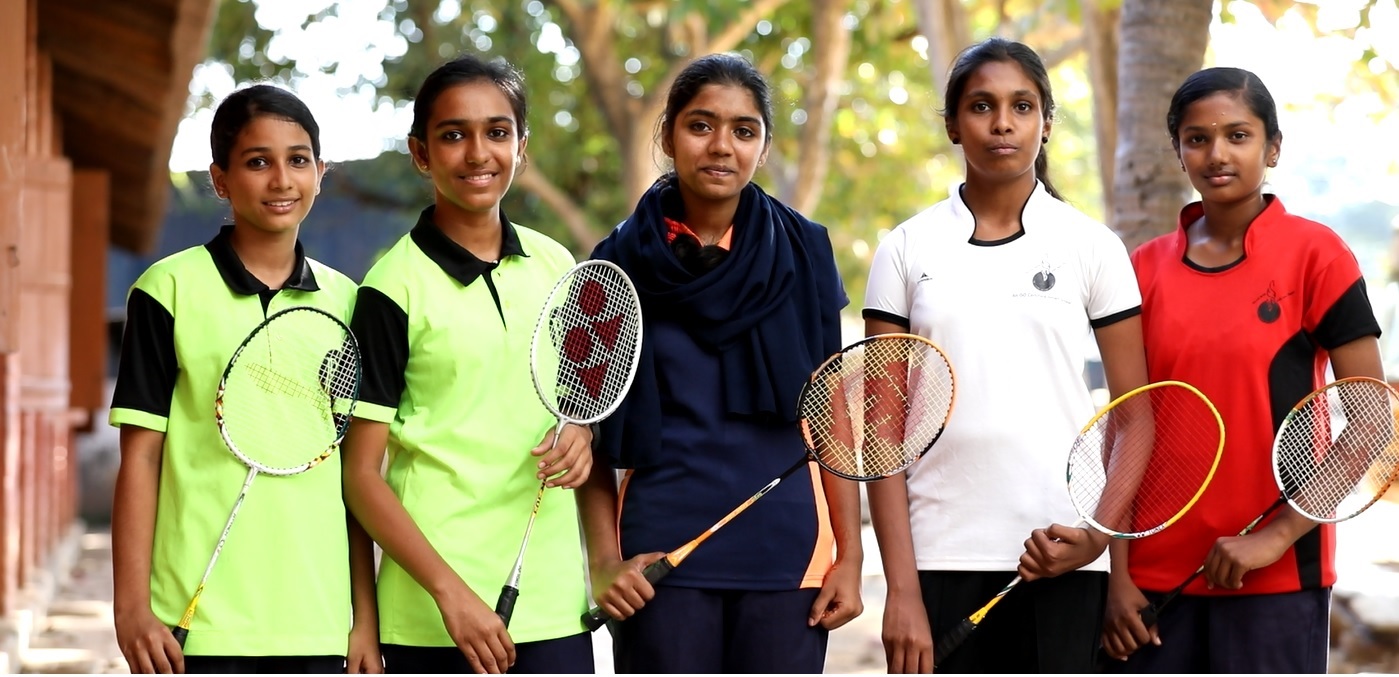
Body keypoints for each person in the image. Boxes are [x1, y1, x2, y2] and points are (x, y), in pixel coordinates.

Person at [862, 37, 1148, 673]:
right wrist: (900, 588)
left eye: (1022, 106)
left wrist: (1096, 541)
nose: (1002, 124)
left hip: (1061, 553)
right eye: (981, 106)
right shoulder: (906, 249)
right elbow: (881, 434)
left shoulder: (1092, 247)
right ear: (952, 125)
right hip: (939, 558)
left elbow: (1134, 418)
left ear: (1046, 122)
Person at [580, 52, 862, 673]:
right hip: (657, 557)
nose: (721, 146)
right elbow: (588, 429)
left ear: (762, 145)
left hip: (788, 552)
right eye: (700, 125)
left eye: (744, 130)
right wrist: (603, 563)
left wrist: (850, 556)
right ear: (667, 135)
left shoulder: (806, 252)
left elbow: (833, 412)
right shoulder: (610, 266)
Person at [1101, 66, 1383, 674]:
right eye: (1197, 138)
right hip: (1150, 588)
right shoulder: (1141, 270)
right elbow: (1123, 429)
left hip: (1277, 581)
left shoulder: (1319, 256)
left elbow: (1370, 421)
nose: (1217, 153)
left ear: (1272, 147)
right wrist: (1116, 574)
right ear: (1178, 152)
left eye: (1238, 135)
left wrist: (1273, 538)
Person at [109, 84, 379, 673]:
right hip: (196, 624)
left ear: (320, 171)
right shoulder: (166, 290)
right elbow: (141, 460)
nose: (282, 179)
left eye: (298, 159)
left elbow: (349, 474)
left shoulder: (350, 302)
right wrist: (131, 609)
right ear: (222, 179)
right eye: (259, 161)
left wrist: (364, 618)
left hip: (320, 623)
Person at [340, 53, 595, 675]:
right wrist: (447, 592)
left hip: (554, 606)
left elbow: (580, 406)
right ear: (422, 154)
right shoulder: (388, 288)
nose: (478, 153)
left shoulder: (557, 264)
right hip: (434, 618)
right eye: (454, 135)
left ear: (522, 148)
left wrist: (584, 436)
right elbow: (360, 475)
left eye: (497, 132)